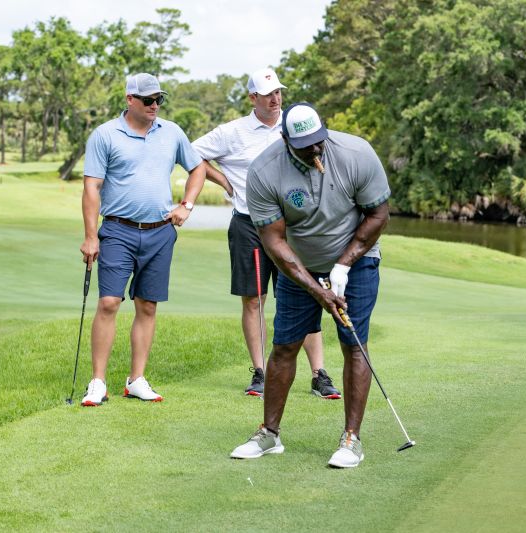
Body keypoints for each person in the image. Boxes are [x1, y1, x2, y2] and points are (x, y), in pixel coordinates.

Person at [230, 102, 391, 468]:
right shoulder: (265, 171)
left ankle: (351, 439)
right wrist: (317, 289)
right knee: (285, 346)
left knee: (354, 345)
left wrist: (343, 266)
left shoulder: (355, 154)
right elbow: (274, 242)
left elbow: (378, 214)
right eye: (305, 145)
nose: (316, 150)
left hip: (357, 262)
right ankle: (269, 434)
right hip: (298, 268)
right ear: (285, 139)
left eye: (319, 141)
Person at [192, 68, 340, 399]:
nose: (275, 99)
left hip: (294, 227)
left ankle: (319, 373)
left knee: (308, 293)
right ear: (252, 98)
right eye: (268, 94)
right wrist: (225, 181)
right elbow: (190, 154)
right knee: (254, 299)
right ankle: (260, 371)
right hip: (249, 224)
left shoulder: (294, 125)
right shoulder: (233, 132)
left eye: (278, 93)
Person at [79, 73, 205, 406]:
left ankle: (136, 379)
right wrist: (91, 236)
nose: (154, 106)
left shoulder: (172, 132)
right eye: (148, 100)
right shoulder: (105, 135)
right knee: (109, 303)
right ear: (129, 100)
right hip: (118, 229)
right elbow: (92, 187)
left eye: (158, 100)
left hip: (160, 232)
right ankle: (97, 382)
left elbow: (198, 168)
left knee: (147, 306)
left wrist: (187, 205)